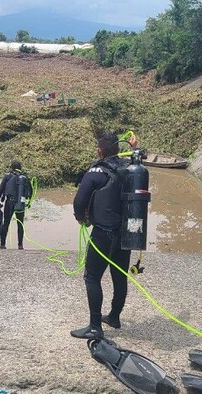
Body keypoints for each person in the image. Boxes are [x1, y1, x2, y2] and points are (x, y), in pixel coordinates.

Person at [70, 132, 131, 339]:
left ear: (99, 151)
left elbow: (79, 201)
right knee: (119, 276)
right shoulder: (128, 169)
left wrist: (81, 218)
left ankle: (95, 326)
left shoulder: (96, 172)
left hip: (103, 233)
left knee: (92, 277)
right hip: (125, 234)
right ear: (119, 150)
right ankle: (114, 317)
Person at [0, 160, 32, 250]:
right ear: (20, 168)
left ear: (11, 168)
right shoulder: (25, 177)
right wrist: (28, 202)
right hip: (20, 203)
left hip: (9, 203)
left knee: (6, 223)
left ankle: (3, 245)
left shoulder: (7, 176)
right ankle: (20, 245)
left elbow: (0, 190)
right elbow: (30, 192)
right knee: (20, 224)